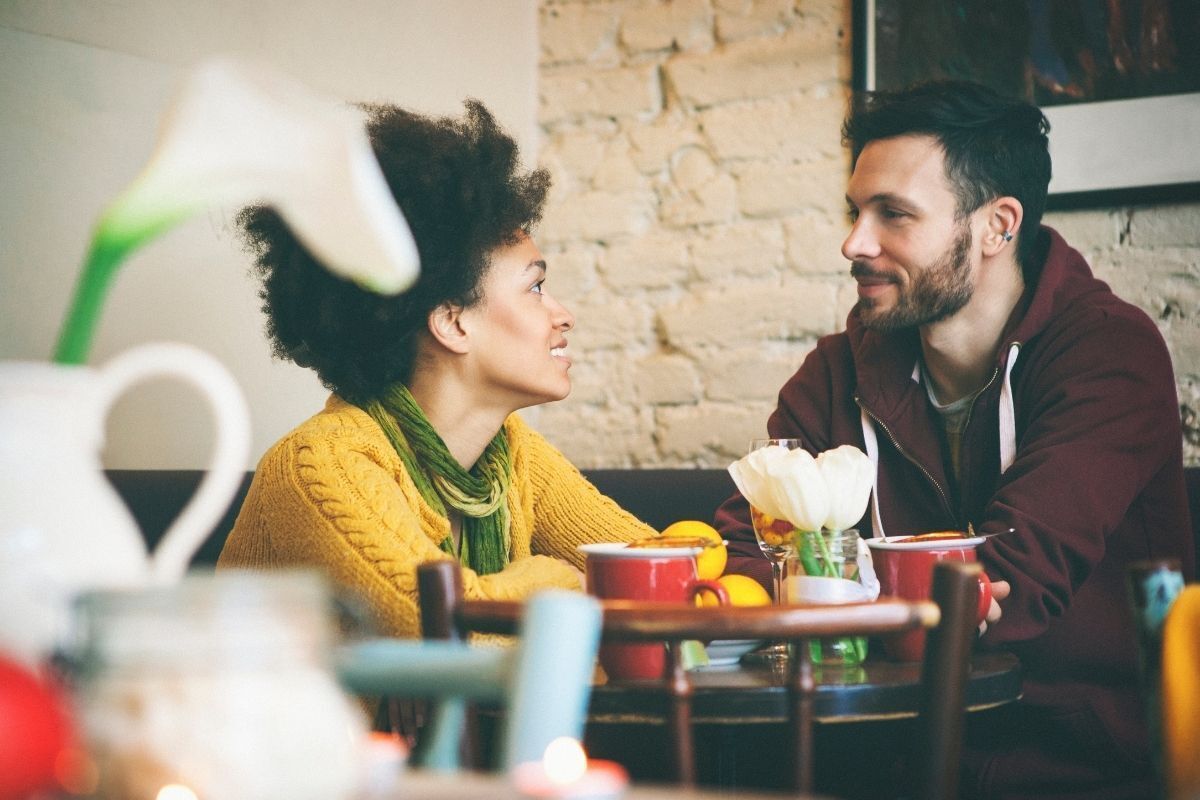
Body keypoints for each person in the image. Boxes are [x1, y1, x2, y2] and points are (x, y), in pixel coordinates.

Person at [716, 80, 1195, 799]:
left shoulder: (1108, 352)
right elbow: (745, 552)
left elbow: (1008, 584)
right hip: (875, 751)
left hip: (1074, 761)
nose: (855, 242)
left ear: (998, 226)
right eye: (855, 211)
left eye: (894, 215)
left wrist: (822, 589)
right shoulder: (838, 370)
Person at [218, 100, 655, 639]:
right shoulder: (318, 465)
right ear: (452, 323)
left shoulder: (509, 456)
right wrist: (558, 580)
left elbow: (659, 572)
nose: (563, 315)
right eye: (535, 288)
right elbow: (444, 631)